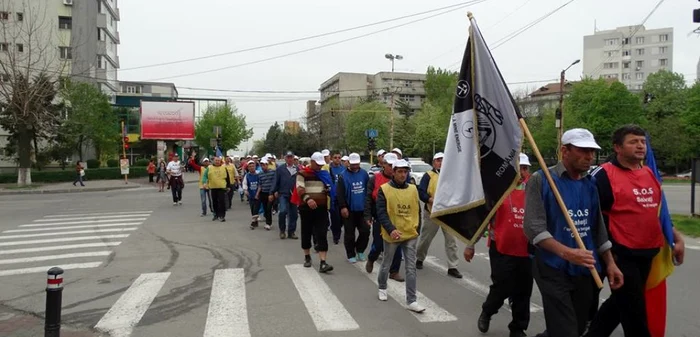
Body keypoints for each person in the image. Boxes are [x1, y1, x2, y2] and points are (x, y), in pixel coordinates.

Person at [584, 125, 686, 337]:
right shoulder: (602, 175)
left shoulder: (648, 173)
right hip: (621, 254)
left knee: (619, 306)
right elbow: (593, 218)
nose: (640, 146)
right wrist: (608, 257)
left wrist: (676, 238)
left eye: (642, 141)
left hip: (648, 251)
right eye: (633, 142)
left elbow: (658, 212)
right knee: (635, 315)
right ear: (617, 148)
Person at [523, 128, 623, 337]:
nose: (589, 157)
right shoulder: (541, 179)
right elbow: (534, 228)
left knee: (577, 327)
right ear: (564, 151)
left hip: (585, 267)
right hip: (552, 267)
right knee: (565, 330)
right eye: (583, 150)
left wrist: (611, 263)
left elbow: (597, 228)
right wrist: (567, 253)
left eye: (592, 152)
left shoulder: (590, 183)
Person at [470, 153, 533, 337]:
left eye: (525, 168)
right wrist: (471, 244)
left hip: (527, 249)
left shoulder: (534, 188)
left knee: (523, 290)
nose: (522, 172)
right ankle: (488, 311)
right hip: (501, 247)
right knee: (502, 286)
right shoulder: (497, 189)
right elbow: (483, 218)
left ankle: (518, 328)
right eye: (518, 167)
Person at [375, 159, 425, 312]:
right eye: (400, 172)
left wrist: (417, 228)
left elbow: (417, 210)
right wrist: (391, 229)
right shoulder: (384, 189)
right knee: (386, 264)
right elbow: (381, 213)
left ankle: (411, 300)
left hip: (410, 234)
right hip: (392, 235)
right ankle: (382, 287)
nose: (403, 175)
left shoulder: (413, 189)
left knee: (410, 267)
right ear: (394, 172)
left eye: (405, 171)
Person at [415, 152, 463, 279]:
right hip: (432, 213)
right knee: (426, 238)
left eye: (443, 160)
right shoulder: (428, 175)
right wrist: (430, 200)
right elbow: (421, 192)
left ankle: (453, 267)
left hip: (448, 214)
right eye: (438, 160)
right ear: (433, 162)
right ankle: (419, 258)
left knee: (452, 241)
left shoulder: (451, 175)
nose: (440, 162)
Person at [364, 153, 404, 282]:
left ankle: (394, 271)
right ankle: (371, 258)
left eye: (394, 165)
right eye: (389, 165)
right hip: (379, 216)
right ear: (383, 164)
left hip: (396, 217)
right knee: (379, 243)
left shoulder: (400, 181)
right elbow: (368, 198)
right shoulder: (374, 179)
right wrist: (368, 215)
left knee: (397, 243)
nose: (392, 168)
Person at [295, 151, 334, 273]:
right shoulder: (302, 173)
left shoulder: (324, 174)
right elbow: (299, 189)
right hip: (306, 208)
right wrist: (308, 199)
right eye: (317, 164)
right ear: (312, 162)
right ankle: (307, 256)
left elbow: (329, 186)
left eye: (321, 164)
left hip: (321, 208)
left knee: (322, 233)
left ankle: (323, 262)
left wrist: (329, 190)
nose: (320, 167)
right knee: (306, 232)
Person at [336, 153, 370, 263]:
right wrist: (343, 207)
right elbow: (339, 193)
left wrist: (369, 208)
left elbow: (368, 191)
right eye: (353, 164)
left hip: (362, 209)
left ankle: (360, 250)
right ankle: (350, 253)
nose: (355, 166)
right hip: (349, 209)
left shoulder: (364, 174)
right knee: (349, 234)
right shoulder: (343, 176)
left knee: (365, 231)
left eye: (357, 164)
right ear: (349, 163)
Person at [272, 151, 299, 240]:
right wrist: (272, 192)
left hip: (294, 195)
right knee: (283, 211)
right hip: (283, 193)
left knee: (294, 214)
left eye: (291, 157)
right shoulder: (280, 169)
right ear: (285, 158)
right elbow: (275, 181)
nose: (290, 159)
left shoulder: (297, 169)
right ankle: (282, 231)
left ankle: (291, 232)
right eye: (288, 157)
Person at [202, 156, 233, 222]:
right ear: (213, 161)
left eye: (218, 160)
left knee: (222, 202)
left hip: (222, 188)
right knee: (214, 202)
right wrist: (204, 183)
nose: (217, 162)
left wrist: (228, 186)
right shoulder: (209, 168)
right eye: (216, 160)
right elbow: (205, 176)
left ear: (220, 161)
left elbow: (227, 178)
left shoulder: (224, 168)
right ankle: (215, 214)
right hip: (213, 188)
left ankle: (222, 216)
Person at [326, 151, 346, 244]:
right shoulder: (329, 169)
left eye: (339, 157)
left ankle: (338, 228)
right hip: (333, 197)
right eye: (335, 157)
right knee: (335, 218)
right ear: (332, 159)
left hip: (343, 196)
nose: (337, 159)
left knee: (342, 218)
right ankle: (336, 236)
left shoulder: (344, 169)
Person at [257, 158, 276, 231]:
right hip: (263, 193)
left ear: (267, 165)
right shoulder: (260, 174)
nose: (263, 166)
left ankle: (268, 223)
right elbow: (260, 184)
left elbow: (275, 182)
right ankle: (268, 219)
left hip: (270, 193)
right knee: (265, 208)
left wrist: (275, 191)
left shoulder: (273, 172)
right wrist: (258, 194)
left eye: (264, 165)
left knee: (268, 208)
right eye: (261, 165)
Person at [242, 161, 261, 228]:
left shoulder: (259, 174)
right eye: (250, 167)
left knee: (256, 208)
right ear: (248, 168)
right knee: (252, 208)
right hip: (251, 194)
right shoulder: (247, 175)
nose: (251, 168)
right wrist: (245, 190)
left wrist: (258, 193)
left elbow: (261, 184)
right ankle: (255, 222)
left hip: (258, 194)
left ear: (255, 167)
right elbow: (244, 184)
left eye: (253, 166)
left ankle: (253, 222)